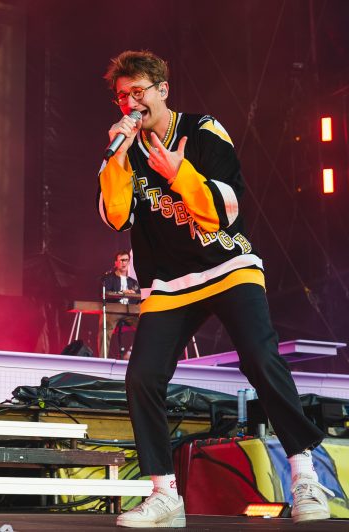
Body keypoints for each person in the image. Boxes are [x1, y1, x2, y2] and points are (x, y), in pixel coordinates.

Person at [97, 50, 332, 528]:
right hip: (170, 283)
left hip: (228, 265)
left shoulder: (204, 130)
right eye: (122, 97)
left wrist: (178, 173)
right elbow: (116, 216)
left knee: (260, 358)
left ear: (162, 90)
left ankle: (305, 475)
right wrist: (118, 157)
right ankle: (164, 493)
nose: (130, 104)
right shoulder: (126, 150)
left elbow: (225, 210)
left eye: (138, 92)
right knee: (142, 376)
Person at [98, 250, 140, 359]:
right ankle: (103, 360)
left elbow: (138, 298)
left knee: (146, 326)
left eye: (126, 260)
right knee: (105, 327)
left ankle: (135, 355)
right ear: (116, 263)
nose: (124, 263)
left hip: (130, 312)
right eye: (121, 260)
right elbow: (104, 294)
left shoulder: (133, 282)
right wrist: (122, 293)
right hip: (113, 311)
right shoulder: (108, 278)